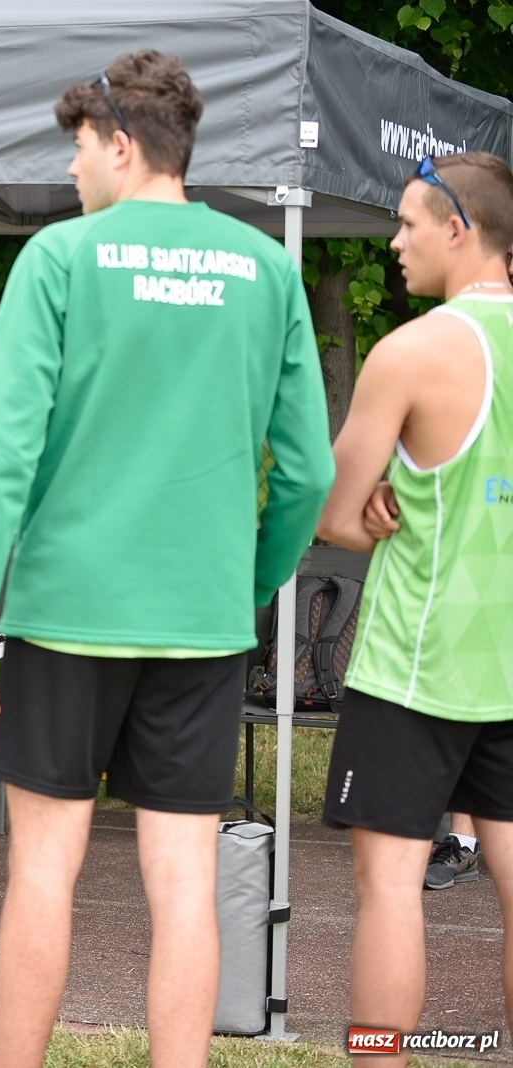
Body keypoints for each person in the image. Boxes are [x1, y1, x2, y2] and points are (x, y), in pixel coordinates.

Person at [0, 52, 334, 1067]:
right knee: (184, 882)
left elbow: (1, 452)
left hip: (67, 614)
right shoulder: (266, 269)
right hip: (196, 623)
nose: (70, 171)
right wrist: (241, 585)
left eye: (76, 148)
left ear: (119, 145)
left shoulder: (61, 261)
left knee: (42, 874)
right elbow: (307, 471)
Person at [316, 151, 513, 1064]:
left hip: (416, 665)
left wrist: (380, 507)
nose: (393, 241)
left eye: (406, 223)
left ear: (459, 229)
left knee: (391, 889)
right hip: (507, 664)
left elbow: (335, 517)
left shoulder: (413, 351)